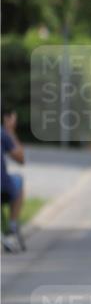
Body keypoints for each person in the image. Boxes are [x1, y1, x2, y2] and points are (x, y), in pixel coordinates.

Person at [1, 108, 26, 252]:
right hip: (3, 187)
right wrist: (10, 130)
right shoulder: (2, 134)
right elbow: (21, 159)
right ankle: (12, 227)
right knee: (19, 179)